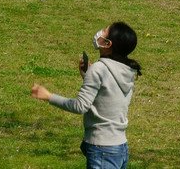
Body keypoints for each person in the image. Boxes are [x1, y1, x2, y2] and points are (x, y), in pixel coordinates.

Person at [31, 22, 141, 169]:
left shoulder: (99, 69)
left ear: (108, 44)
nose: (99, 32)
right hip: (120, 148)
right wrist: (88, 78)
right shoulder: (126, 71)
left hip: (102, 149)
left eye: (104, 31)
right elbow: (108, 97)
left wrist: (48, 96)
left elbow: (80, 106)